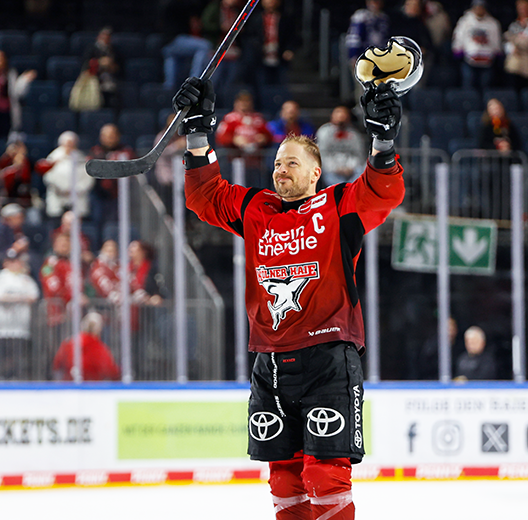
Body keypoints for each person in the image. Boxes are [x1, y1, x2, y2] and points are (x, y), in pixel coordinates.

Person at [175, 74, 404, 519]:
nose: (281, 170)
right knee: (284, 478)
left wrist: (383, 144)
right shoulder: (257, 209)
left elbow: (384, 189)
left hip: (329, 356)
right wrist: (199, 131)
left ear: (316, 173)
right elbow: (204, 196)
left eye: (292, 164)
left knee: (326, 475)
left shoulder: (338, 205)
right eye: (278, 163)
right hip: (271, 361)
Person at [0, 248, 39, 379]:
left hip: (20, 327)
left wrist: (11, 298)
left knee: (19, 357)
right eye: (10, 261)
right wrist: (20, 298)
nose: (14, 264)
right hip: (1, 327)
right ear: (5, 263)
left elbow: (34, 296)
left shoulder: (25, 278)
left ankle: (18, 377)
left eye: (16, 261)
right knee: (0, 356)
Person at [37, 131, 95, 222]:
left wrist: (75, 190)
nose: (69, 146)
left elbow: (88, 179)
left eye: (72, 144)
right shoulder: (53, 158)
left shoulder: (82, 158)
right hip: (58, 199)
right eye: (67, 144)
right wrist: (63, 189)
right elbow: (48, 177)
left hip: (77, 199)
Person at [52, 312, 121, 381]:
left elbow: (57, 365)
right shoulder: (99, 348)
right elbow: (112, 372)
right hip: (91, 388)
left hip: (68, 387)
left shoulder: (69, 343)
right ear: (99, 329)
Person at [88, 124, 134, 225]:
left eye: (112, 136)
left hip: (120, 194)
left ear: (118, 136)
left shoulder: (125, 151)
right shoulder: (95, 151)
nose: (109, 139)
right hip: (99, 194)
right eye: (106, 136)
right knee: (98, 221)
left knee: (117, 223)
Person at [452, 0, 501, 90]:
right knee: (468, 87)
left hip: (487, 63)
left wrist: (495, 54)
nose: (479, 9)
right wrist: (458, 51)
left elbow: (496, 43)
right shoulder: (465, 21)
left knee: (486, 87)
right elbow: (458, 38)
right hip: (469, 61)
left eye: (481, 7)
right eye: (477, 7)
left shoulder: (492, 23)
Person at [161, 6, 212, 90]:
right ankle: (194, 83)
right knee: (204, 46)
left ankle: (169, 87)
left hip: (169, 44)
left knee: (172, 61)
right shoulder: (173, 5)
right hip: (173, 40)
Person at [315, 106, 367, 187]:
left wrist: (350, 168)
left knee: (364, 168)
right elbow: (322, 155)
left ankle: (351, 190)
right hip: (331, 170)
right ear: (332, 117)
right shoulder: (323, 132)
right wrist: (336, 168)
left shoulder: (354, 135)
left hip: (351, 171)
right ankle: (339, 191)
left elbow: (359, 155)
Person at [255, 0, 299, 87]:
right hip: (260, 59)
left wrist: (289, 50)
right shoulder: (256, 18)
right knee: (261, 87)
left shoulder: (285, 18)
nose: (271, 2)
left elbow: (292, 37)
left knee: (281, 87)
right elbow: (251, 37)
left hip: (280, 59)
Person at [0, 203, 29, 278]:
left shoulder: (19, 230)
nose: (22, 220)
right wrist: (14, 250)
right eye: (19, 217)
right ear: (10, 218)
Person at [82, 27, 122, 110]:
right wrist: (99, 62)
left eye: (108, 37)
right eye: (104, 37)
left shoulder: (114, 50)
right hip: (95, 83)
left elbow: (119, 67)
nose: (106, 39)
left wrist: (111, 66)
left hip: (110, 82)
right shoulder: (91, 49)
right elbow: (86, 66)